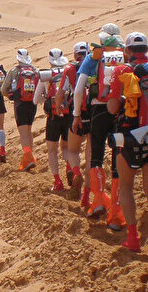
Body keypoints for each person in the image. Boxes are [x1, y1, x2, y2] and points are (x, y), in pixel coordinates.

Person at [106, 32, 148, 257]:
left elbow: (113, 108)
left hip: (130, 139)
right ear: (146, 49)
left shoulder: (122, 71)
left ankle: (133, 238)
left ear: (127, 51)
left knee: (126, 186)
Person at [70, 24, 126, 230]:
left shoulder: (95, 56)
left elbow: (78, 89)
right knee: (118, 160)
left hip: (99, 111)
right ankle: (117, 213)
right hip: (121, 112)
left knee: (96, 157)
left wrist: (77, 115)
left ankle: (100, 199)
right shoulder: (124, 54)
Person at [34, 48, 76, 191]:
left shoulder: (46, 76)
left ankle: (58, 182)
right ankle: (70, 167)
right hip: (68, 115)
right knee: (66, 146)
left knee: (52, 150)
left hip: (53, 117)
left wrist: (45, 99)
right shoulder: (69, 72)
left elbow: (35, 99)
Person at [56, 42, 91, 201]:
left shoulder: (70, 68)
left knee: (72, 150)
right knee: (91, 155)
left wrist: (58, 108)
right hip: (95, 113)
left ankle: (77, 173)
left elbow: (61, 92)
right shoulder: (96, 64)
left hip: (76, 114)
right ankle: (88, 195)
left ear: (75, 53)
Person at [0, 49, 40, 171]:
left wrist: (11, 96)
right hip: (32, 103)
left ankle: (28, 158)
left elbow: (3, 89)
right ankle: (30, 157)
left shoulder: (14, 71)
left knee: (23, 133)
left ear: (18, 59)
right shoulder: (35, 70)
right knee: (29, 130)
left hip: (20, 104)